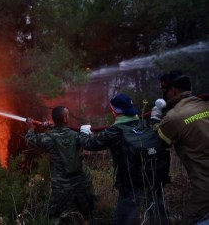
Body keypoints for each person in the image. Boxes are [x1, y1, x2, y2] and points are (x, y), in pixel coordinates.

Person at [79, 93, 170, 225]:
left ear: (115, 111)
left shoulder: (115, 131)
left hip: (130, 184)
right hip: (153, 178)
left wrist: (84, 132)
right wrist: (156, 116)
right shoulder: (143, 123)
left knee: (122, 220)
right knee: (159, 216)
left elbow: (89, 144)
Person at [25, 106, 96, 224]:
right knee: (86, 216)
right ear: (65, 119)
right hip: (81, 184)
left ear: (54, 119)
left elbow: (30, 140)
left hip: (61, 188)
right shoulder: (76, 135)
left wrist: (31, 128)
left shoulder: (49, 138)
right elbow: (89, 141)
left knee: (57, 218)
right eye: (67, 115)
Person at [156, 70, 209, 225]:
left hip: (205, 186)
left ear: (172, 90)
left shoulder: (174, 117)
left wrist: (156, 117)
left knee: (189, 219)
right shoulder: (204, 105)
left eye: (164, 90)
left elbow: (159, 140)